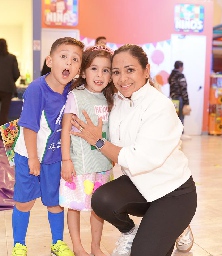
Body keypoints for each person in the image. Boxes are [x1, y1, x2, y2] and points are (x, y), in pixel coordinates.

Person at [70, 44, 197, 256]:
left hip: (173, 193)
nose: (122, 79)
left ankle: (177, 223)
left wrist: (98, 142)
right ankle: (131, 232)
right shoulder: (118, 101)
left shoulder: (159, 106)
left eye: (130, 70)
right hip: (141, 187)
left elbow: (138, 159)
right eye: (117, 72)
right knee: (102, 199)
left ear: (146, 71)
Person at [11, 37, 84, 256]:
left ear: (79, 68)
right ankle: (19, 244)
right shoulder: (36, 89)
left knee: (55, 202)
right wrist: (33, 158)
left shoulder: (73, 92)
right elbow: (29, 126)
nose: (68, 63)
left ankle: (57, 243)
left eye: (75, 59)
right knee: (25, 202)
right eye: (63, 57)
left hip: (53, 158)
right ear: (50, 61)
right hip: (28, 155)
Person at [60, 45, 115, 256]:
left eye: (105, 70)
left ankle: (95, 246)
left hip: (102, 164)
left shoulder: (109, 99)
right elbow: (66, 130)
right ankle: (77, 245)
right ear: (83, 72)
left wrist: (112, 157)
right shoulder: (76, 96)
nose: (99, 75)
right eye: (94, 69)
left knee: (98, 207)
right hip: (79, 164)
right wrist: (66, 160)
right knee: (74, 205)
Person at [168, 60, 191, 140]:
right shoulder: (180, 75)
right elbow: (183, 89)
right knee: (181, 116)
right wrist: (186, 101)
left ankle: (174, 133)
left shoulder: (171, 75)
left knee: (175, 116)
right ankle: (180, 133)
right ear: (180, 67)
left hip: (173, 99)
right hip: (180, 98)